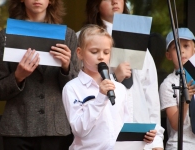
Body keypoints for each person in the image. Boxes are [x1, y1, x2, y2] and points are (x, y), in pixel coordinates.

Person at [77, 0, 165, 149]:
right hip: (103, 133)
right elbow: (81, 84)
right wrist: (114, 78)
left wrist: (157, 138)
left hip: (140, 129)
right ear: (95, 4)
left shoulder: (139, 37)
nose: (114, 1)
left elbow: (149, 90)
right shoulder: (83, 38)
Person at [0, 0, 78, 150]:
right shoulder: (4, 37)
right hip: (17, 129)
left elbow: (77, 90)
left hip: (56, 129)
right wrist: (17, 77)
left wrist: (66, 67)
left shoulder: (68, 36)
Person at [63, 24, 156, 150]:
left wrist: (143, 137)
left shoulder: (120, 88)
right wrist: (100, 97)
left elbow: (125, 128)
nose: (101, 56)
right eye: (94, 51)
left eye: (106, 52)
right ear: (80, 53)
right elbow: (79, 129)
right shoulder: (72, 88)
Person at [159, 28, 195, 150]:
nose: (182, 51)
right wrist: (185, 100)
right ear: (168, 55)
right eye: (176, 48)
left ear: (194, 50)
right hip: (180, 144)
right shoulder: (168, 84)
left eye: (186, 46)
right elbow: (175, 124)